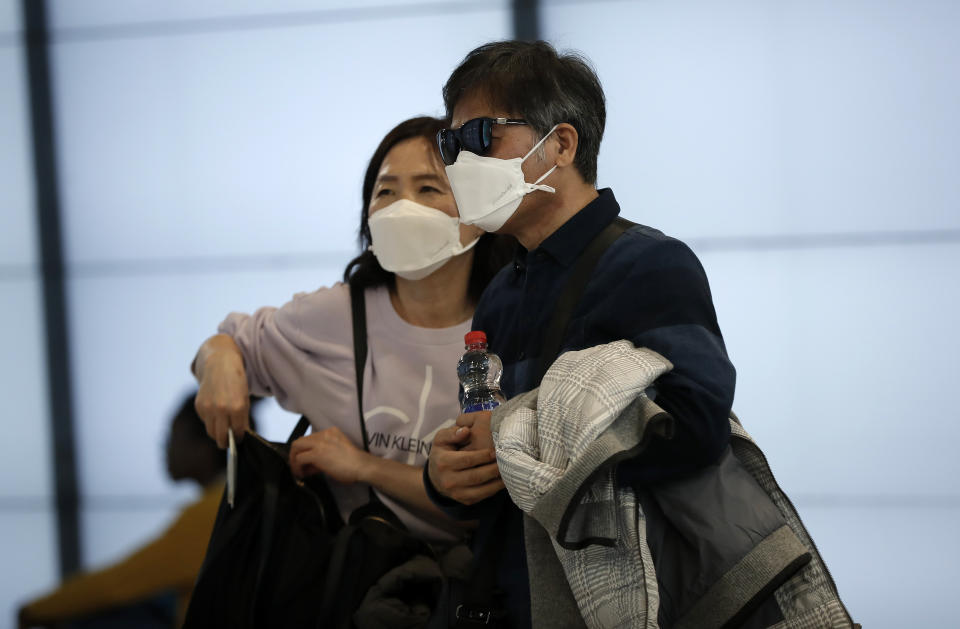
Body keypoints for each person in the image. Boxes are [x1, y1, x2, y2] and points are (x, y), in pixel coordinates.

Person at [423, 41, 738, 627]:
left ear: (561, 144)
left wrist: (517, 437)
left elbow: (696, 425)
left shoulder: (650, 264)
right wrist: (447, 475)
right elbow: (490, 434)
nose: (459, 162)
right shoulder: (500, 291)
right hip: (512, 594)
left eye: (481, 136)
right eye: (450, 143)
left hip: (622, 598)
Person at [191, 116, 514, 544]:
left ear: (478, 211)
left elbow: (494, 506)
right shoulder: (337, 316)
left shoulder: (513, 321)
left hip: (484, 593)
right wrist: (218, 361)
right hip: (358, 593)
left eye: (428, 188)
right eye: (386, 191)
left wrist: (363, 466)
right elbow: (228, 344)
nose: (402, 207)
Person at [18, 394, 255, 629]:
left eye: (172, 436)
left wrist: (34, 610)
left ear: (207, 443)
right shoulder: (244, 499)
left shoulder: (216, 511)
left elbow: (117, 586)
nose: (165, 447)